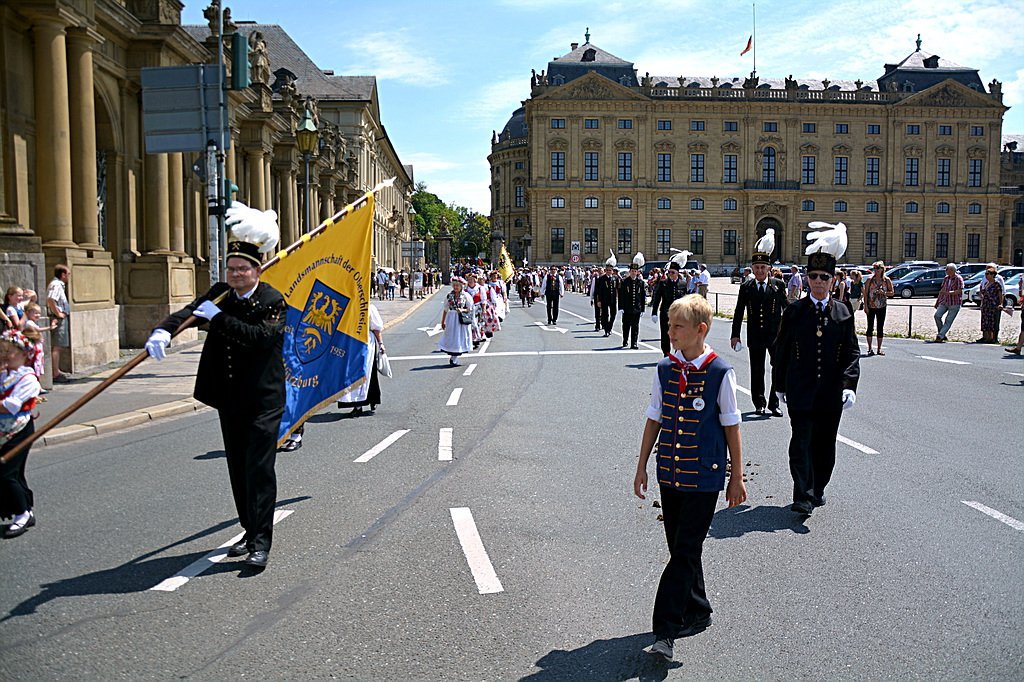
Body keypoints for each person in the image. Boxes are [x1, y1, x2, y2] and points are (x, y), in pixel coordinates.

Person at [145, 202, 284, 569]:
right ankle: (248, 527)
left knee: (259, 468)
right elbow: (189, 312)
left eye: (242, 269)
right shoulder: (221, 293)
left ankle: (261, 542)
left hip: (264, 398)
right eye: (232, 268)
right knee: (237, 468)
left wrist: (218, 319)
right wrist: (163, 329)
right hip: (230, 397)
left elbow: (258, 339)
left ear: (257, 270)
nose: (235, 274)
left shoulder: (272, 300)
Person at [633, 294, 745, 661]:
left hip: (705, 477)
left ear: (700, 330)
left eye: (677, 326)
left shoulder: (719, 373)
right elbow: (655, 417)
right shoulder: (665, 369)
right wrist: (642, 465)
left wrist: (736, 477)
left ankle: (665, 631)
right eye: (669, 325)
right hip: (670, 472)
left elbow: (731, 426)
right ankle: (698, 609)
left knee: (683, 551)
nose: (670, 332)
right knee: (681, 549)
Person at [773, 223, 860, 515]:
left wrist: (849, 385)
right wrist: (779, 386)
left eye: (824, 277)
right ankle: (803, 494)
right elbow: (781, 350)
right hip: (801, 390)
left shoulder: (843, 312)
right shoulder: (795, 312)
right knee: (800, 443)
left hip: (830, 393)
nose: (818, 282)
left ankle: (818, 487)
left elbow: (851, 352)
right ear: (807, 278)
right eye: (813, 276)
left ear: (833, 279)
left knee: (824, 447)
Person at [730, 234, 787, 416]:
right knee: (757, 370)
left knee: (778, 368)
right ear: (752, 268)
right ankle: (759, 402)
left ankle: (774, 402)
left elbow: (787, 309)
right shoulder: (746, 286)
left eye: (763, 267)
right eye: (757, 267)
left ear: (769, 268)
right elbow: (739, 312)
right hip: (755, 334)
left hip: (775, 335)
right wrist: (735, 334)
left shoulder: (778, 285)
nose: (760, 270)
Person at [0, 329, 43, 538]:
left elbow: (11, 406)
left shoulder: (28, 378)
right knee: (14, 473)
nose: (6, 355)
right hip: (3, 430)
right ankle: (25, 509)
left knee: (6, 473)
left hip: (19, 430)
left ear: (25, 354)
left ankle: (21, 513)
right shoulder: (5, 375)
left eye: (11, 352)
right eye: (4, 351)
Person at [338, 304, 385, 417]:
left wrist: (381, 343)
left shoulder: (370, 307)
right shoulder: (349, 306)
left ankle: (371, 399)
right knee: (353, 374)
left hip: (366, 344)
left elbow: (376, 328)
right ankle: (358, 404)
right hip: (351, 343)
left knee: (369, 373)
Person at [651, 262, 688, 355]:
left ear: (677, 273)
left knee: (679, 334)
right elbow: (657, 298)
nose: (670, 274)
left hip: (679, 315)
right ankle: (666, 354)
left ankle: (678, 354)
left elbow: (685, 299)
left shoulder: (683, 284)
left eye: (673, 272)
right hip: (666, 313)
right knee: (665, 335)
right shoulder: (663, 283)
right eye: (669, 272)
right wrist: (654, 312)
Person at [439, 276, 473, 366]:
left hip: (461, 319)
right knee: (452, 336)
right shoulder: (449, 296)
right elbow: (445, 309)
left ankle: (454, 357)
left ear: (461, 286)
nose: (455, 287)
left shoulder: (465, 296)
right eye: (454, 285)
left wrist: (463, 310)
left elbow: (470, 308)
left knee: (459, 336)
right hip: (451, 318)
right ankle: (453, 356)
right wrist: (443, 321)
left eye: (457, 285)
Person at [862, 261, 894, 356]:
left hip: (882, 306)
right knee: (870, 327)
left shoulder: (886, 280)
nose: (876, 270)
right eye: (874, 268)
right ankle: (870, 348)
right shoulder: (869, 280)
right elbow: (866, 293)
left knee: (880, 327)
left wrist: (884, 293)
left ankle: (879, 349)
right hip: (871, 306)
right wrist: (865, 306)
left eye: (877, 268)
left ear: (882, 269)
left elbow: (892, 292)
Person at [46, 265, 71, 382]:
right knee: (57, 345)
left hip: (61, 317)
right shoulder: (56, 285)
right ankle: (55, 372)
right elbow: (51, 299)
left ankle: (56, 370)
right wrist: (58, 313)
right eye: (68, 274)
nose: (69, 277)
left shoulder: (59, 285)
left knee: (59, 346)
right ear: (63, 274)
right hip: (58, 318)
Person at [619, 255, 646, 349]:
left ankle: (634, 342)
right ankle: (625, 340)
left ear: (637, 272)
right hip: (627, 308)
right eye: (632, 271)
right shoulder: (624, 282)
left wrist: (642, 308)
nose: (633, 273)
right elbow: (621, 295)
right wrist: (621, 307)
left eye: (635, 271)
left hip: (636, 308)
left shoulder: (641, 283)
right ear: (629, 272)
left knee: (635, 327)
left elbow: (643, 296)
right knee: (626, 326)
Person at [933, 263, 964, 343]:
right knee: (937, 316)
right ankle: (942, 334)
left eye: (947, 269)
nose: (946, 271)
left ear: (952, 270)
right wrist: (937, 302)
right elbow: (942, 290)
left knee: (948, 320)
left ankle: (940, 335)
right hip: (944, 301)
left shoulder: (958, 278)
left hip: (954, 303)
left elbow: (960, 290)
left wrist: (950, 293)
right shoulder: (946, 278)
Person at [978, 266, 1004, 344]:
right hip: (986, 305)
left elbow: (1000, 294)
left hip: (993, 305)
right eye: (986, 273)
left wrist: (1001, 303)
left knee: (992, 322)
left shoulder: (997, 284)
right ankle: (986, 337)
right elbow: (983, 292)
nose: (986, 275)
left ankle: (993, 338)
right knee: (985, 321)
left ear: (993, 275)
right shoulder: (986, 283)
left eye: (988, 274)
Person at [593, 263, 619, 337]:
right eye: (607, 270)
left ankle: (610, 327)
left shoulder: (615, 278)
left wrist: (617, 297)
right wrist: (598, 301)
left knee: (613, 314)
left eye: (610, 270)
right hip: (604, 299)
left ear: (612, 271)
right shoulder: (601, 279)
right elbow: (598, 291)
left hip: (613, 299)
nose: (608, 271)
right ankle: (606, 330)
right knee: (605, 315)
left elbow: (617, 288)